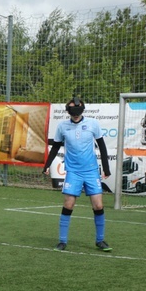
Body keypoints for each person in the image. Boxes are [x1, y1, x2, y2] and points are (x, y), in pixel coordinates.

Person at [43, 96, 112, 252]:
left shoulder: (93, 124)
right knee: (69, 204)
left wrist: (106, 168)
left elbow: (102, 146)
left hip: (91, 171)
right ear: (68, 111)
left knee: (98, 205)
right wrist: (47, 165)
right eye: (73, 111)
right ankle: (62, 241)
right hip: (73, 171)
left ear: (82, 110)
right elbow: (55, 147)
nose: (76, 114)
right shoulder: (62, 127)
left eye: (78, 111)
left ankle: (100, 240)